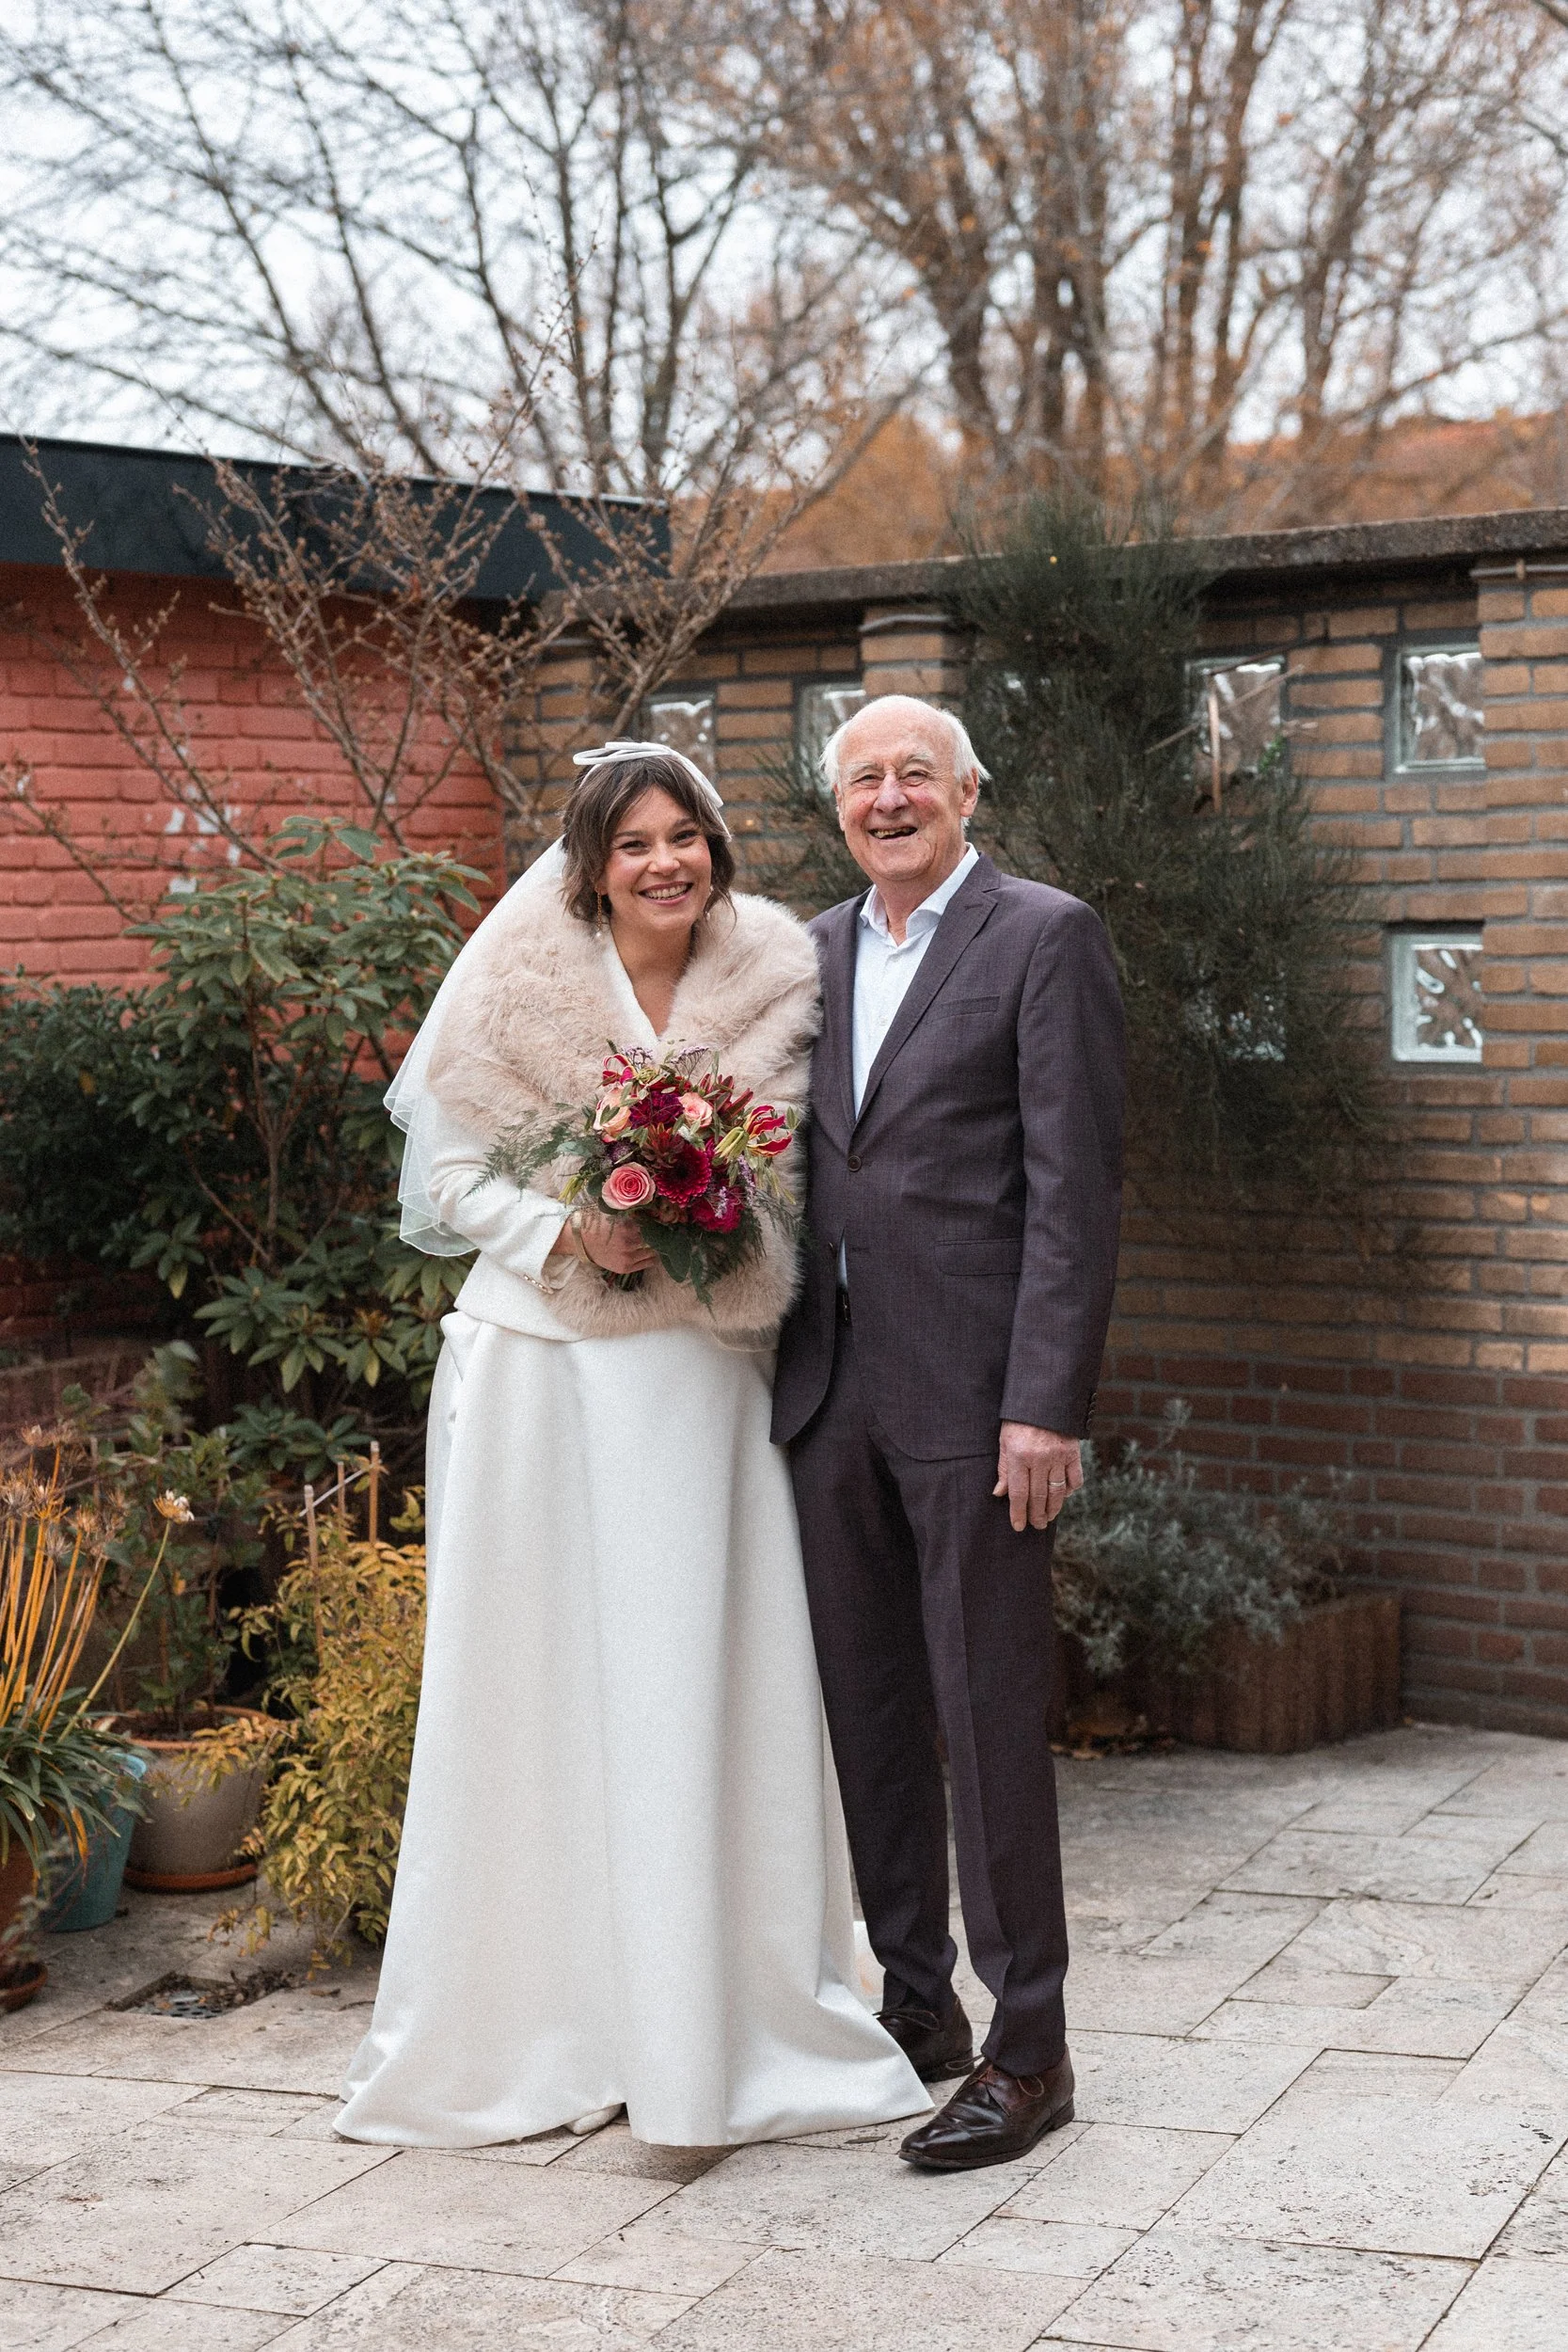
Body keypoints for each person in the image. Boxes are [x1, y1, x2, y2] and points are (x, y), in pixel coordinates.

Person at [337, 743, 927, 2150]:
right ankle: (551, 2017)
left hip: (698, 1380)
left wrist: (714, 1208)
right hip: (542, 1374)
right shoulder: (518, 975)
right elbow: (450, 1180)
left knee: (697, 1680)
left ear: (715, 846)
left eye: (687, 836)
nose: (666, 862)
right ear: (592, 867)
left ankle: (717, 2016)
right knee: (538, 1680)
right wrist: (571, 1230)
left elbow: (801, 1164)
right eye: (634, 844)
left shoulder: (780, 974)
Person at [772, 693, 1125, 2172]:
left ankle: (1026, 2050)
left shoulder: (1043, 937)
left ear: (968, 790)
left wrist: (1046, 1400)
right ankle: (912, 2012)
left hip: (979, 1402)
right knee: (864, 1717)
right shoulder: (802, 955)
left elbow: (1077, 1189)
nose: (888, 795)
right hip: (821, 1393)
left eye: (916, 770)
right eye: (862, 778)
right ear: (836, 808)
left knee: (983, 1721)